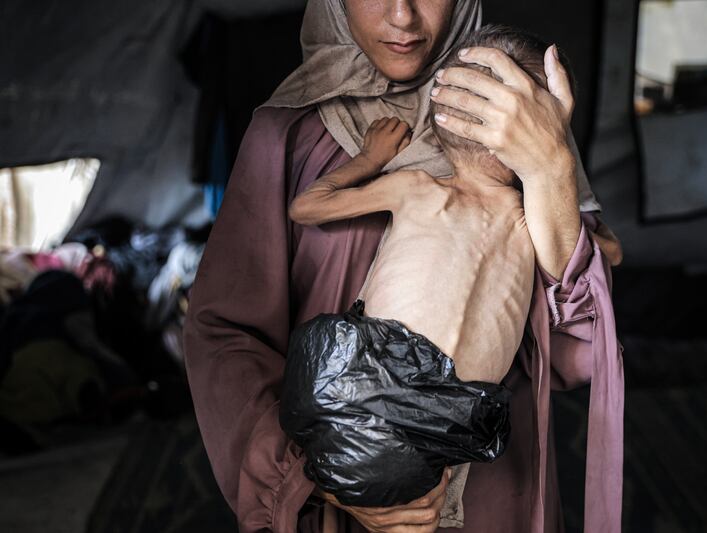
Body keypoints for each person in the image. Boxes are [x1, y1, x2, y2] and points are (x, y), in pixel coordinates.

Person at [183, 1, 624, 532]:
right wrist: (317, 473)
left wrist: (552, 168)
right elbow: (226, 334)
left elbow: (578, 352)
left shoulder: (523, 125)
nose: (402, 16)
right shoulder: (286, 137)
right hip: (336, 486)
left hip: (490, 493)